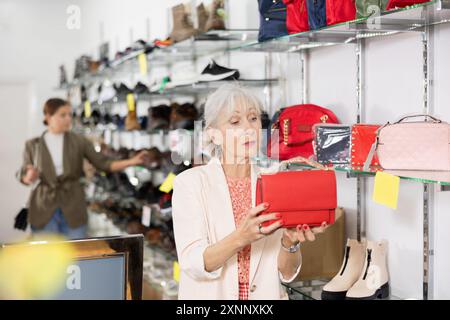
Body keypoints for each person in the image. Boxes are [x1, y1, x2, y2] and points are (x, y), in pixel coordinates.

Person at [171, 84, 329, 300]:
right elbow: (193, 264)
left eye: (253, 119)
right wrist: (241, 237)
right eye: (235, 122)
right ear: (214, 135)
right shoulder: (190, 183)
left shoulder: (274, 180)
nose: (248, 128)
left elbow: (287, 273)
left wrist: (290, 243)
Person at [17, 98, 148, 239]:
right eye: (63, 115)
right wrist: (28, 176)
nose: (68, 119)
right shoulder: (33, 145)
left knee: (77, 255)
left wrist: (132, 161)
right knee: (47, 256)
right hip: (43, 207)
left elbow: (104, 164)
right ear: (48, 116)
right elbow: (23, 173)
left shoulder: (79, 141)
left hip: (73, 205)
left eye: (70, 115)